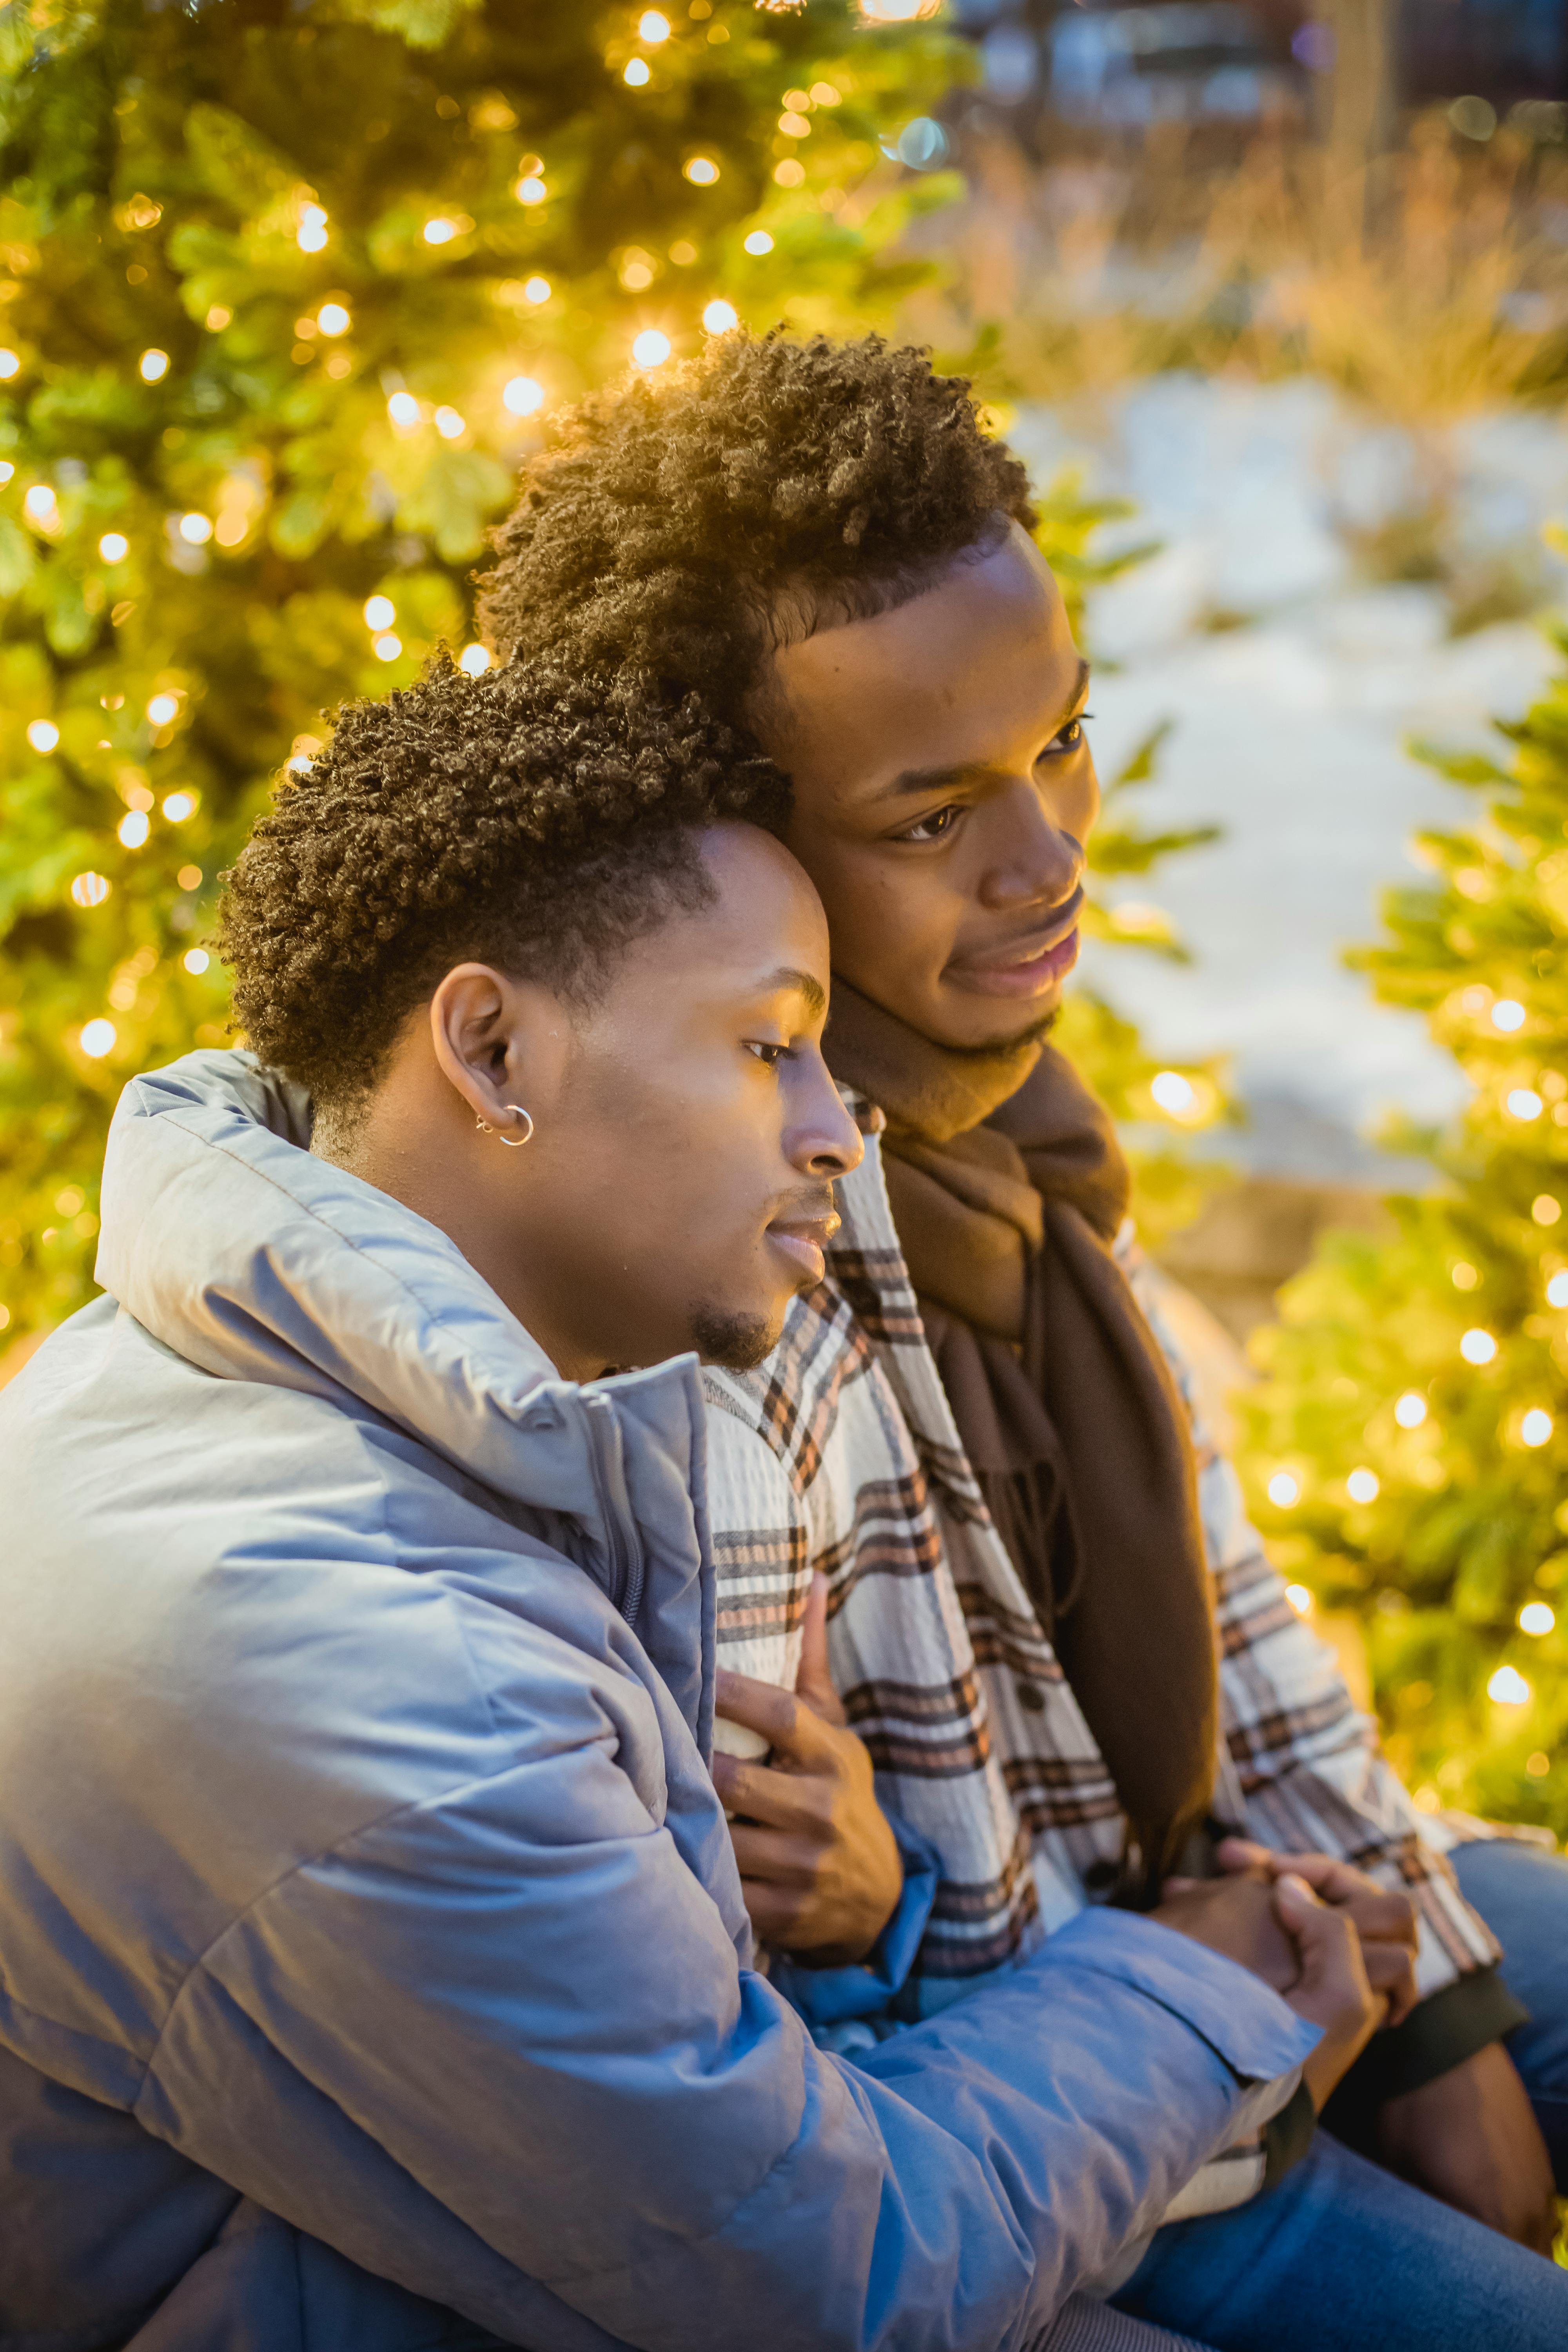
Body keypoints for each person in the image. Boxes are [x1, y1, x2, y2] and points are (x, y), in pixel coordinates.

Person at [0, 654, 1353, 2350]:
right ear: (492, 1050)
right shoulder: (380, 1672)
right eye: (770, 1046)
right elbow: (833, 2289)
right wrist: (1203, 1994)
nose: (835, 1140)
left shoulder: (256, 1374)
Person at [477, 332, 1568, 2352]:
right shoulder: (730, 1283)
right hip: (1080, 2085)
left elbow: (1226, 1611)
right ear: (727, 849)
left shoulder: (1013, 1134)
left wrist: (1436, 2002)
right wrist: (1272, 2008)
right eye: (929, 817)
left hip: (1218, 1923)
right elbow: (806, 2015)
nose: (1050, 856)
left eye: (1062, 739)